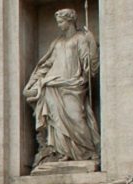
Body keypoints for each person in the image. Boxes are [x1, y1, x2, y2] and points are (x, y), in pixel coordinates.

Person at [23, 8, 100, 168]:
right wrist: (32, 83)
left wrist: (91, 41)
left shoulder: (81, 38)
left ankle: (88, 150)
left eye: (61, 21)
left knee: (77, 116)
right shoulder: (56, 43)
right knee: (57, 121)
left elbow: (89, 64)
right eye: (57, 22)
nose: (59, 25)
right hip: (53, 85)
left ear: (70, 20)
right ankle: (64, 152)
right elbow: (45, 65)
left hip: (73, 84)